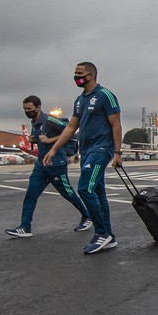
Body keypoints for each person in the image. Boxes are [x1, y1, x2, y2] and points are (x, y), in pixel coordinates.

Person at [44, 62, 123, 254]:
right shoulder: (79, 100)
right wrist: (54, 148)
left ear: (91, 75)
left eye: (80, 73)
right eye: (75, 73)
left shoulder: (106, 96)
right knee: (98, 192)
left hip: (101, 149)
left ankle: (101, 232)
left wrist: (118, 152)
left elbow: (116, 124)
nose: (76, 77)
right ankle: (109, 236)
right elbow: (71, 128)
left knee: (84, 189)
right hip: (86, 151)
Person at [4, 96, 92, 238]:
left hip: (56, 164)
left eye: (30, 109)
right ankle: (25, 227)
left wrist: (50, 140)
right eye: (25, 109)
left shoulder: (50, 120)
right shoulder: (34, 122)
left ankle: (87, 216)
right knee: (31, 194)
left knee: (68, 193)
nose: (27, 111)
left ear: (38, 107)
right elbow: (41, 139)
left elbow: (70, 131)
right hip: (41, 165)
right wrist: (35, 140)